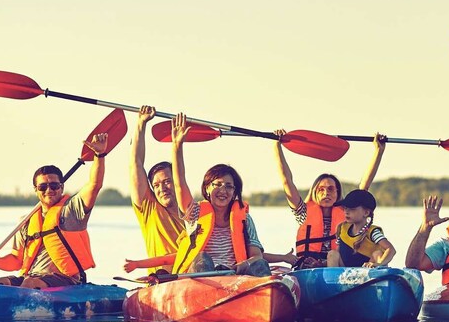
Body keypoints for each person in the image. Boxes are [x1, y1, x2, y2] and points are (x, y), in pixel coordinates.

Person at [0, 133, 108, 289]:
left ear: (61, 187)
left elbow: (94, 185)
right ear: (36, 190)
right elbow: (16, 260)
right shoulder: (26, 220)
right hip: (31, 277)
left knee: (29, 283)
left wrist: (99, 154)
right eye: (42, 187)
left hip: (65, 279)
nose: (49, 190)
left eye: (54, 186)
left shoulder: (71, 211)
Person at [169, 114, 271, 276]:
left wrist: (246, 263)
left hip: (234, 278)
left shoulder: (245, 220)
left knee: (260, 264)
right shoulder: (195, 212)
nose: (223, 190)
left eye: (229, 187)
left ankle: (266, 297)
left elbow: (256, 255)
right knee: (202, 258)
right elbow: (179, 184)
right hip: (201, 277)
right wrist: (177, 145)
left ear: (234, 193)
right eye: (217, 185)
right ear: (207, 188)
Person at [274, 130, 387, 268]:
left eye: (331, 189)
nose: (326, 193)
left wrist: (378, 152)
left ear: (337, 192)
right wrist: (277, 145)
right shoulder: (302, 212)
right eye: (321, 189)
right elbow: (287, 181)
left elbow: (364, 186)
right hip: (308, 267)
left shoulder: (347, 214)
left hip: (337, 267)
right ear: (315, 192)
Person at [128, 105, 184, 272]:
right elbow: (135, 164)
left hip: (193, 278)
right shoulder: (149, 208)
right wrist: (141, 124)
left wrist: (178, 144)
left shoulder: (194, 212)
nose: (162, 188)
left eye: (167, 182)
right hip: (162, 282)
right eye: (156, 185)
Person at [327, 189, 395, 268]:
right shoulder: (342, 228)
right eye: (345, 208)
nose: (346, 212)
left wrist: (378, 264)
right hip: (345, 272)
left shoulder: (373, 232)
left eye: (352, 209)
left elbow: (391, 249)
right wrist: (322, 263)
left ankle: (379, 276)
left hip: (367, 271)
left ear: (366, 213)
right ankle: (332, 279)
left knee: (378, 254)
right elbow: (339, 253)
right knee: (332, 254)